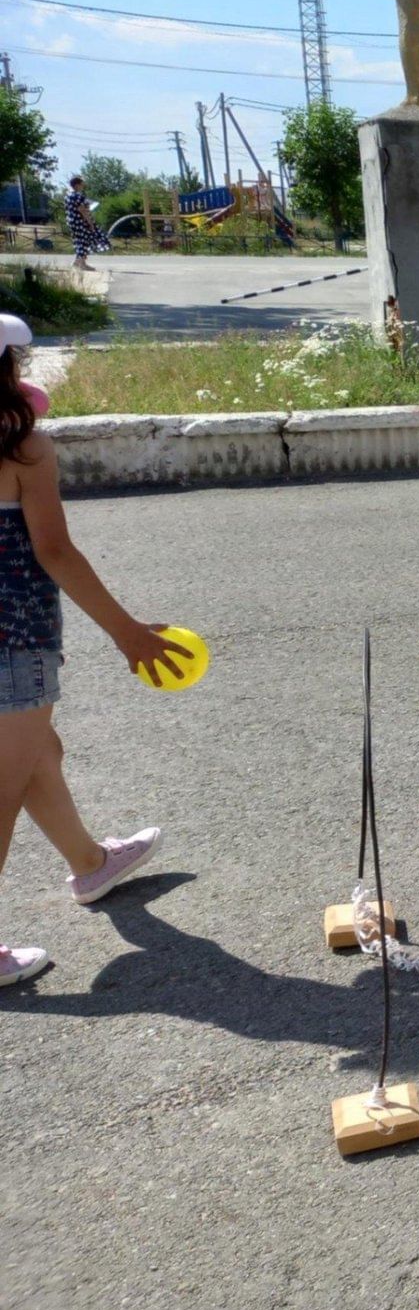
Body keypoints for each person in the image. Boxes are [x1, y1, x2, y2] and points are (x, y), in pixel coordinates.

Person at [0, 314, 189, 988]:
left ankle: (90, 863)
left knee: (37, 756)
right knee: (3, 783)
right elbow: (52, 549)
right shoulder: (24, 450)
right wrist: (127, 631)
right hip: (12, 638)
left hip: (16, 642)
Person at [62, 178, 109, 273]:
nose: (83, 186)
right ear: (77, 185)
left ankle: (78, 262)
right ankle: (82, 264)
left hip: (72, 221)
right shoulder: (78, 196)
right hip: (80, 221)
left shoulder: (68, 196)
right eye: (82, 184)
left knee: (79, 241)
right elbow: (82, 210)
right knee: (84, 241)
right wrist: (90, 223)